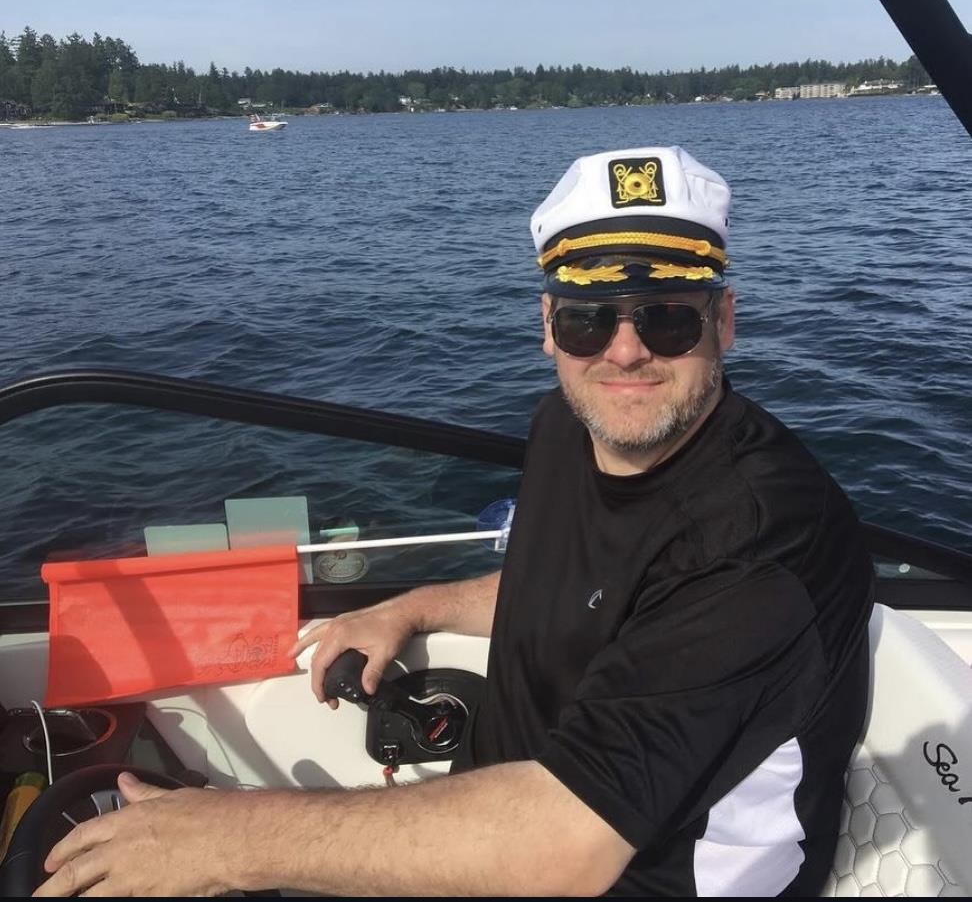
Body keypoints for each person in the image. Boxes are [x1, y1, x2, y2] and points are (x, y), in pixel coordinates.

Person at [36, 146, 874, 897]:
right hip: (513, 811)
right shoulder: (566, 428)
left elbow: (562, 849)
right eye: (587, 316)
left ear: (722, 320)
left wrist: (229, 839)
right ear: (547, 329)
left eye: (666, 314)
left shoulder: (759, 535)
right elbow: (575, 582)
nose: (624, 350)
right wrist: (415, 605)